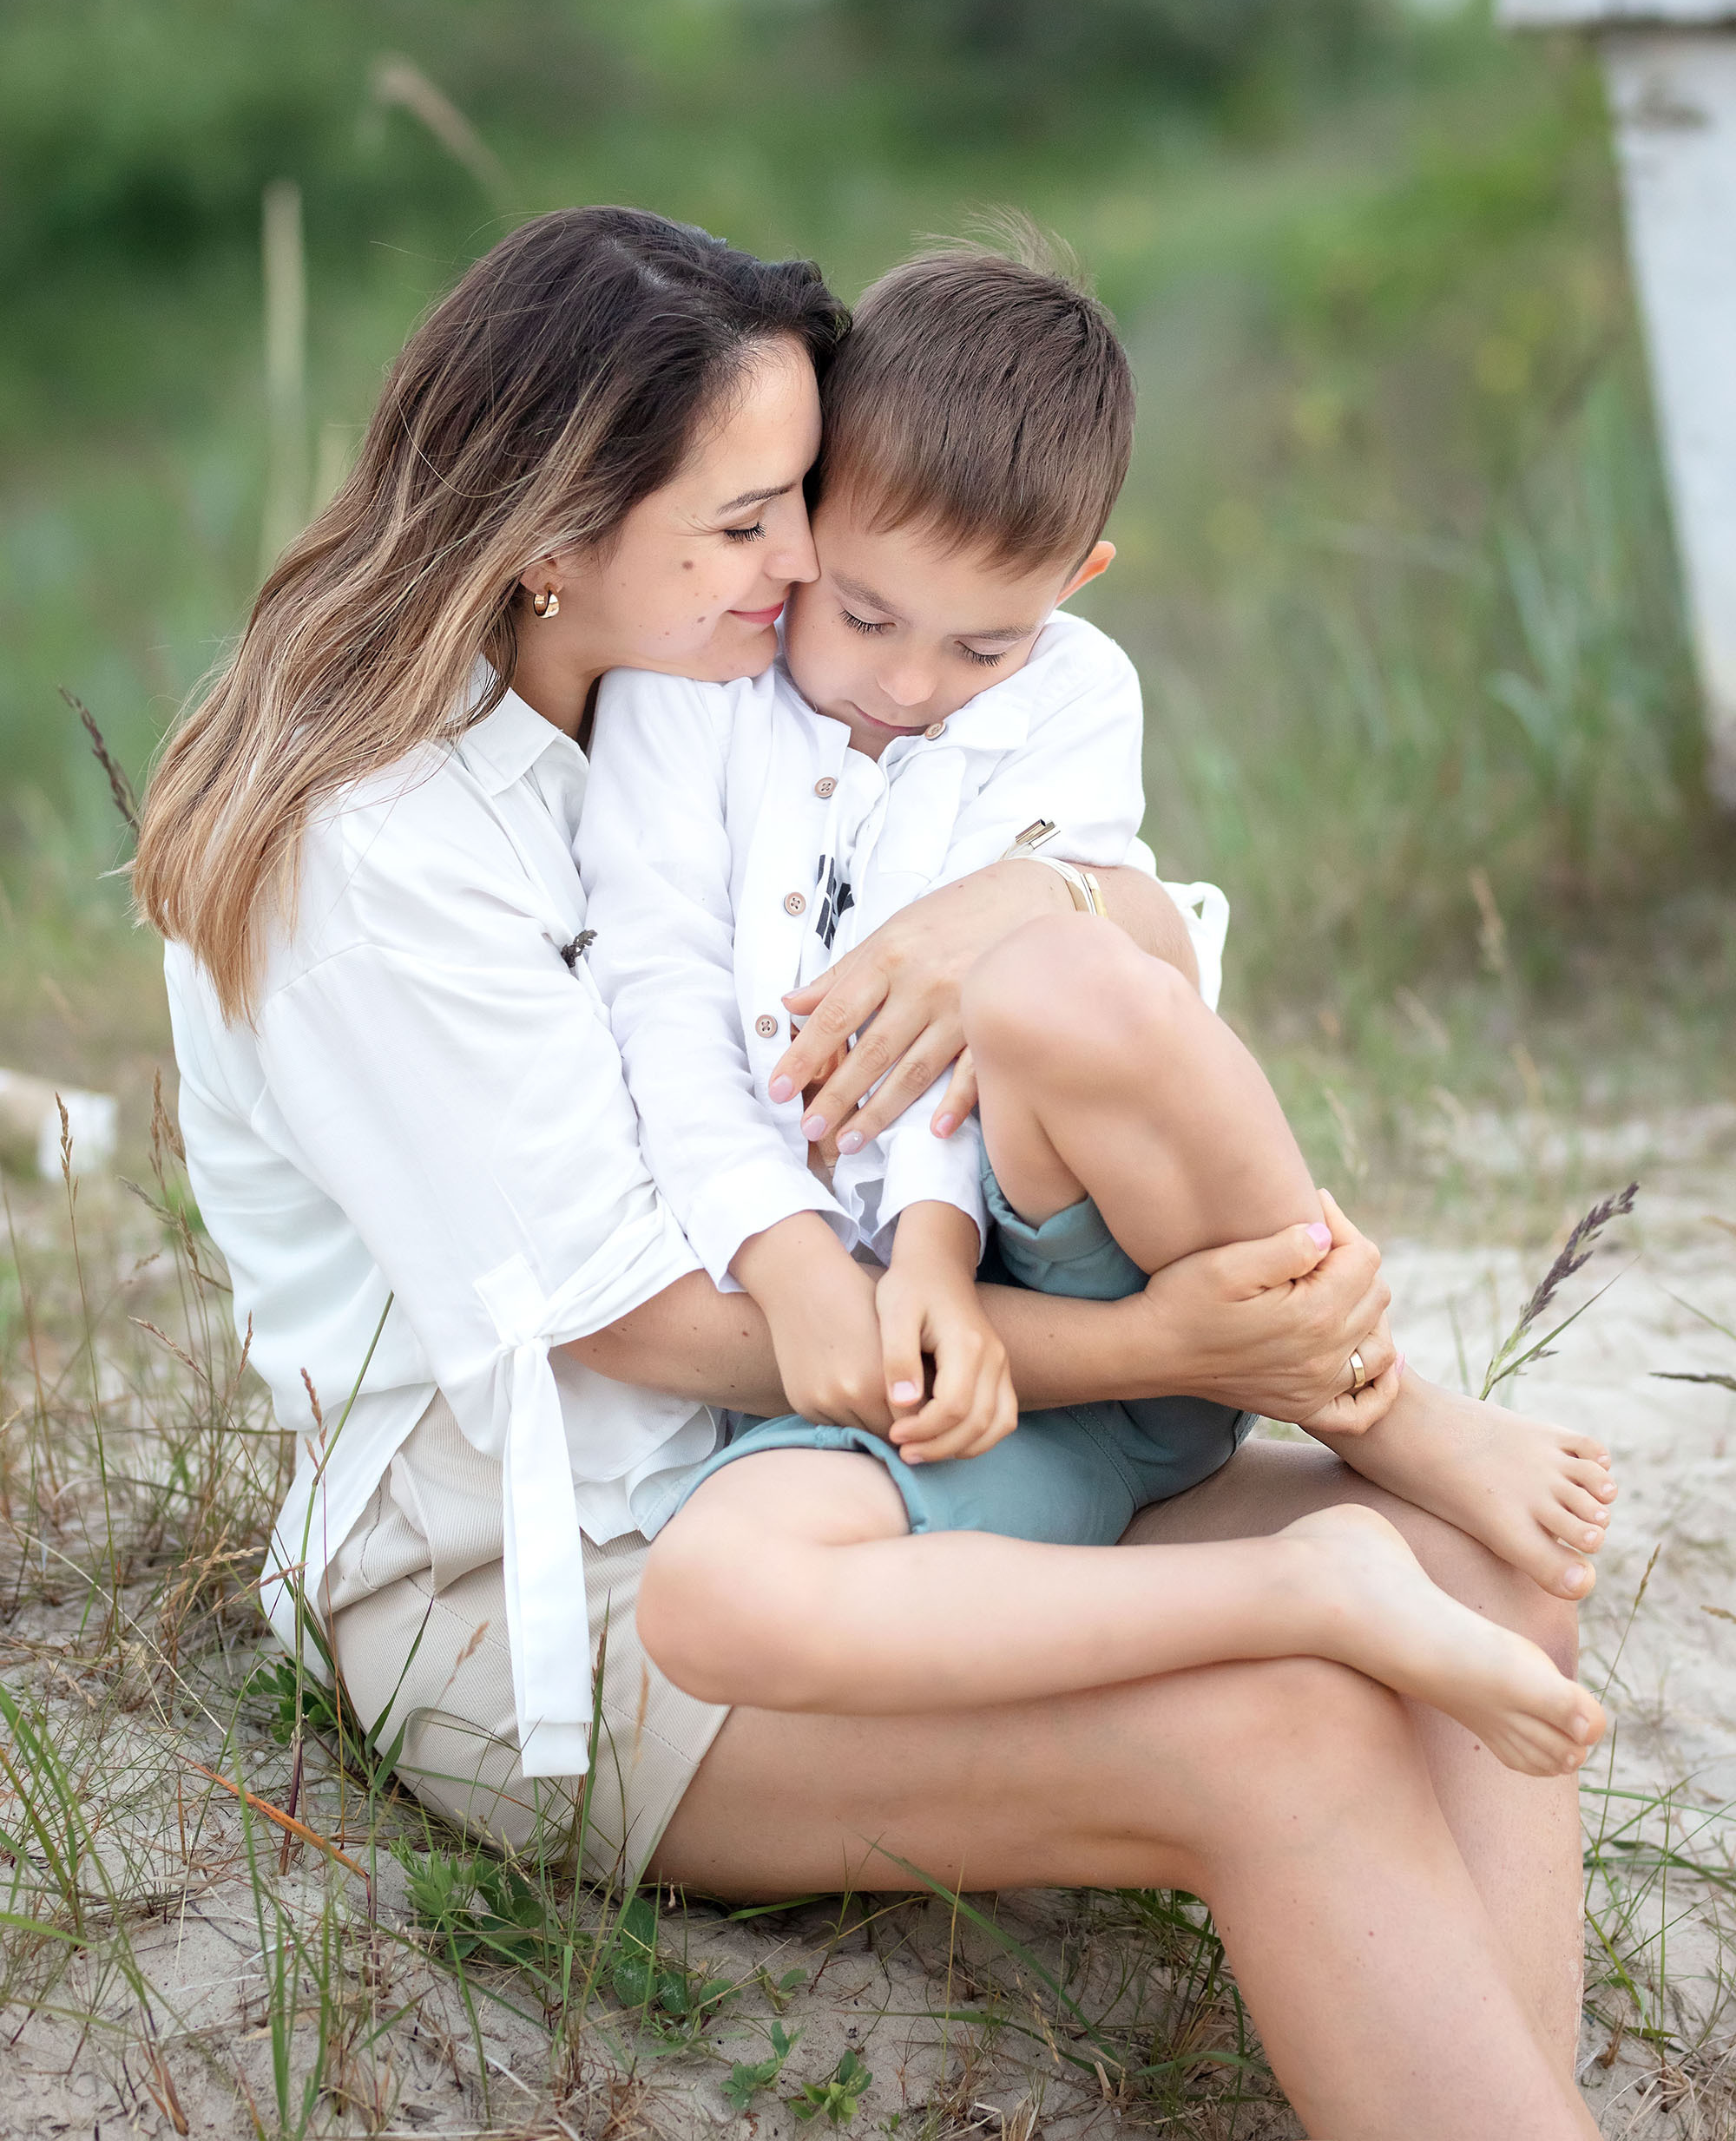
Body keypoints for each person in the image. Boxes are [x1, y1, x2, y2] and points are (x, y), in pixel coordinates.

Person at [133, 207, 1611, 2139]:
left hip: (855, 1464)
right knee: (1285, 1733)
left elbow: (1136, 951)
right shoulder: (378, 852)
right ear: (554, 533)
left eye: (801, 497)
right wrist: (1168, 1346)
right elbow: (645, 1322)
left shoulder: (707, 697)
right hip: (562, 1592)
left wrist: (1033, 894)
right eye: (752, 519)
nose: (803, 557)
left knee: (1494, 1577)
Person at [581, 244, 1614, 1773]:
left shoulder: (1071, 693)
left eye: (981, 644)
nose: (912, 684)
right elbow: (668, 1023)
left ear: (1075, 583)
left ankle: (1366, 1403)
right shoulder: (691, 701)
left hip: (1076, 1264)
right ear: (804, 524)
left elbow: (989, 1037)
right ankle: (1302, 1582)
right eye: (864, 615)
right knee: (718, 1585)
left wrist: (937, 1247)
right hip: (943, 1393)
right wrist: (829, 1269)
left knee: (1058, 963)